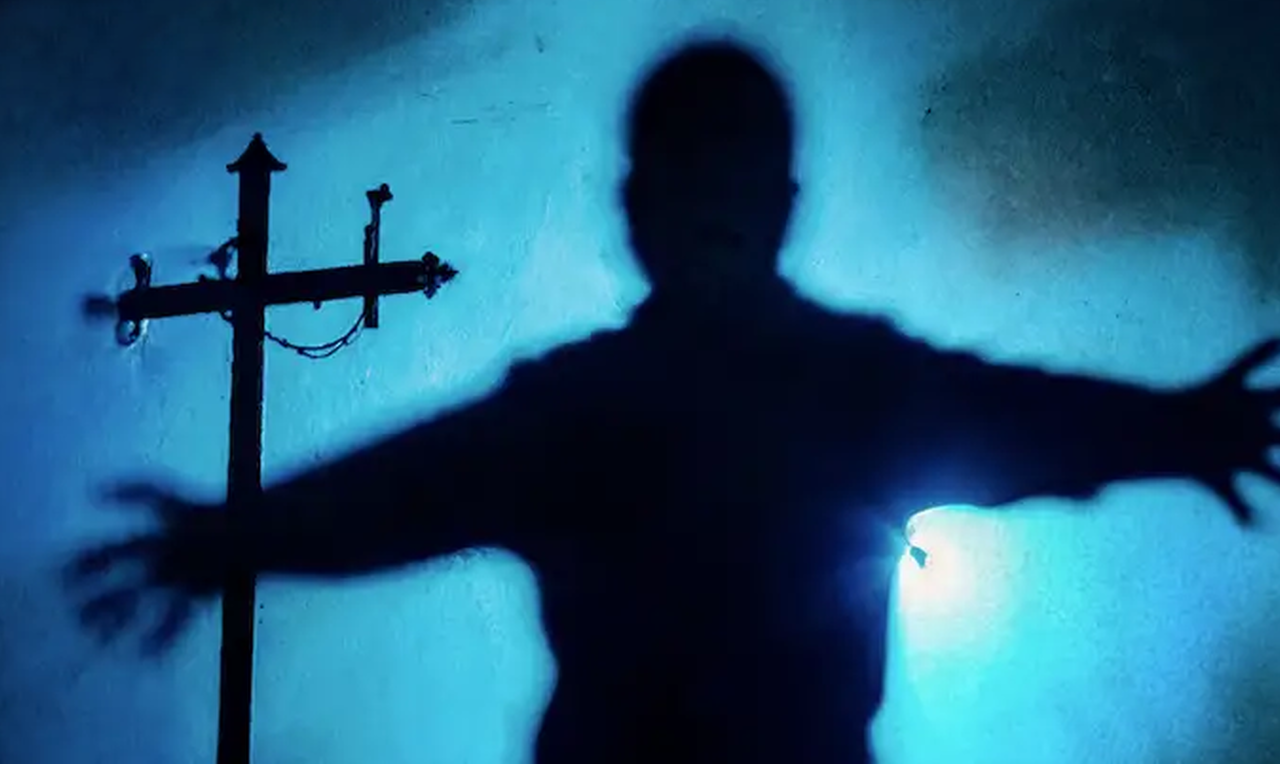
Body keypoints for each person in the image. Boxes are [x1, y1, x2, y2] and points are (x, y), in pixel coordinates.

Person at [67, 37, 1280, 764]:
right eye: (698, 178)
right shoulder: (802, 392)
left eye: (726, 178)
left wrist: (228, 538)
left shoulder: (720, 397)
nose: (711, 208)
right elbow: (404, 491)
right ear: (649, 211)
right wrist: (1178, 428)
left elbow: (405, 492)